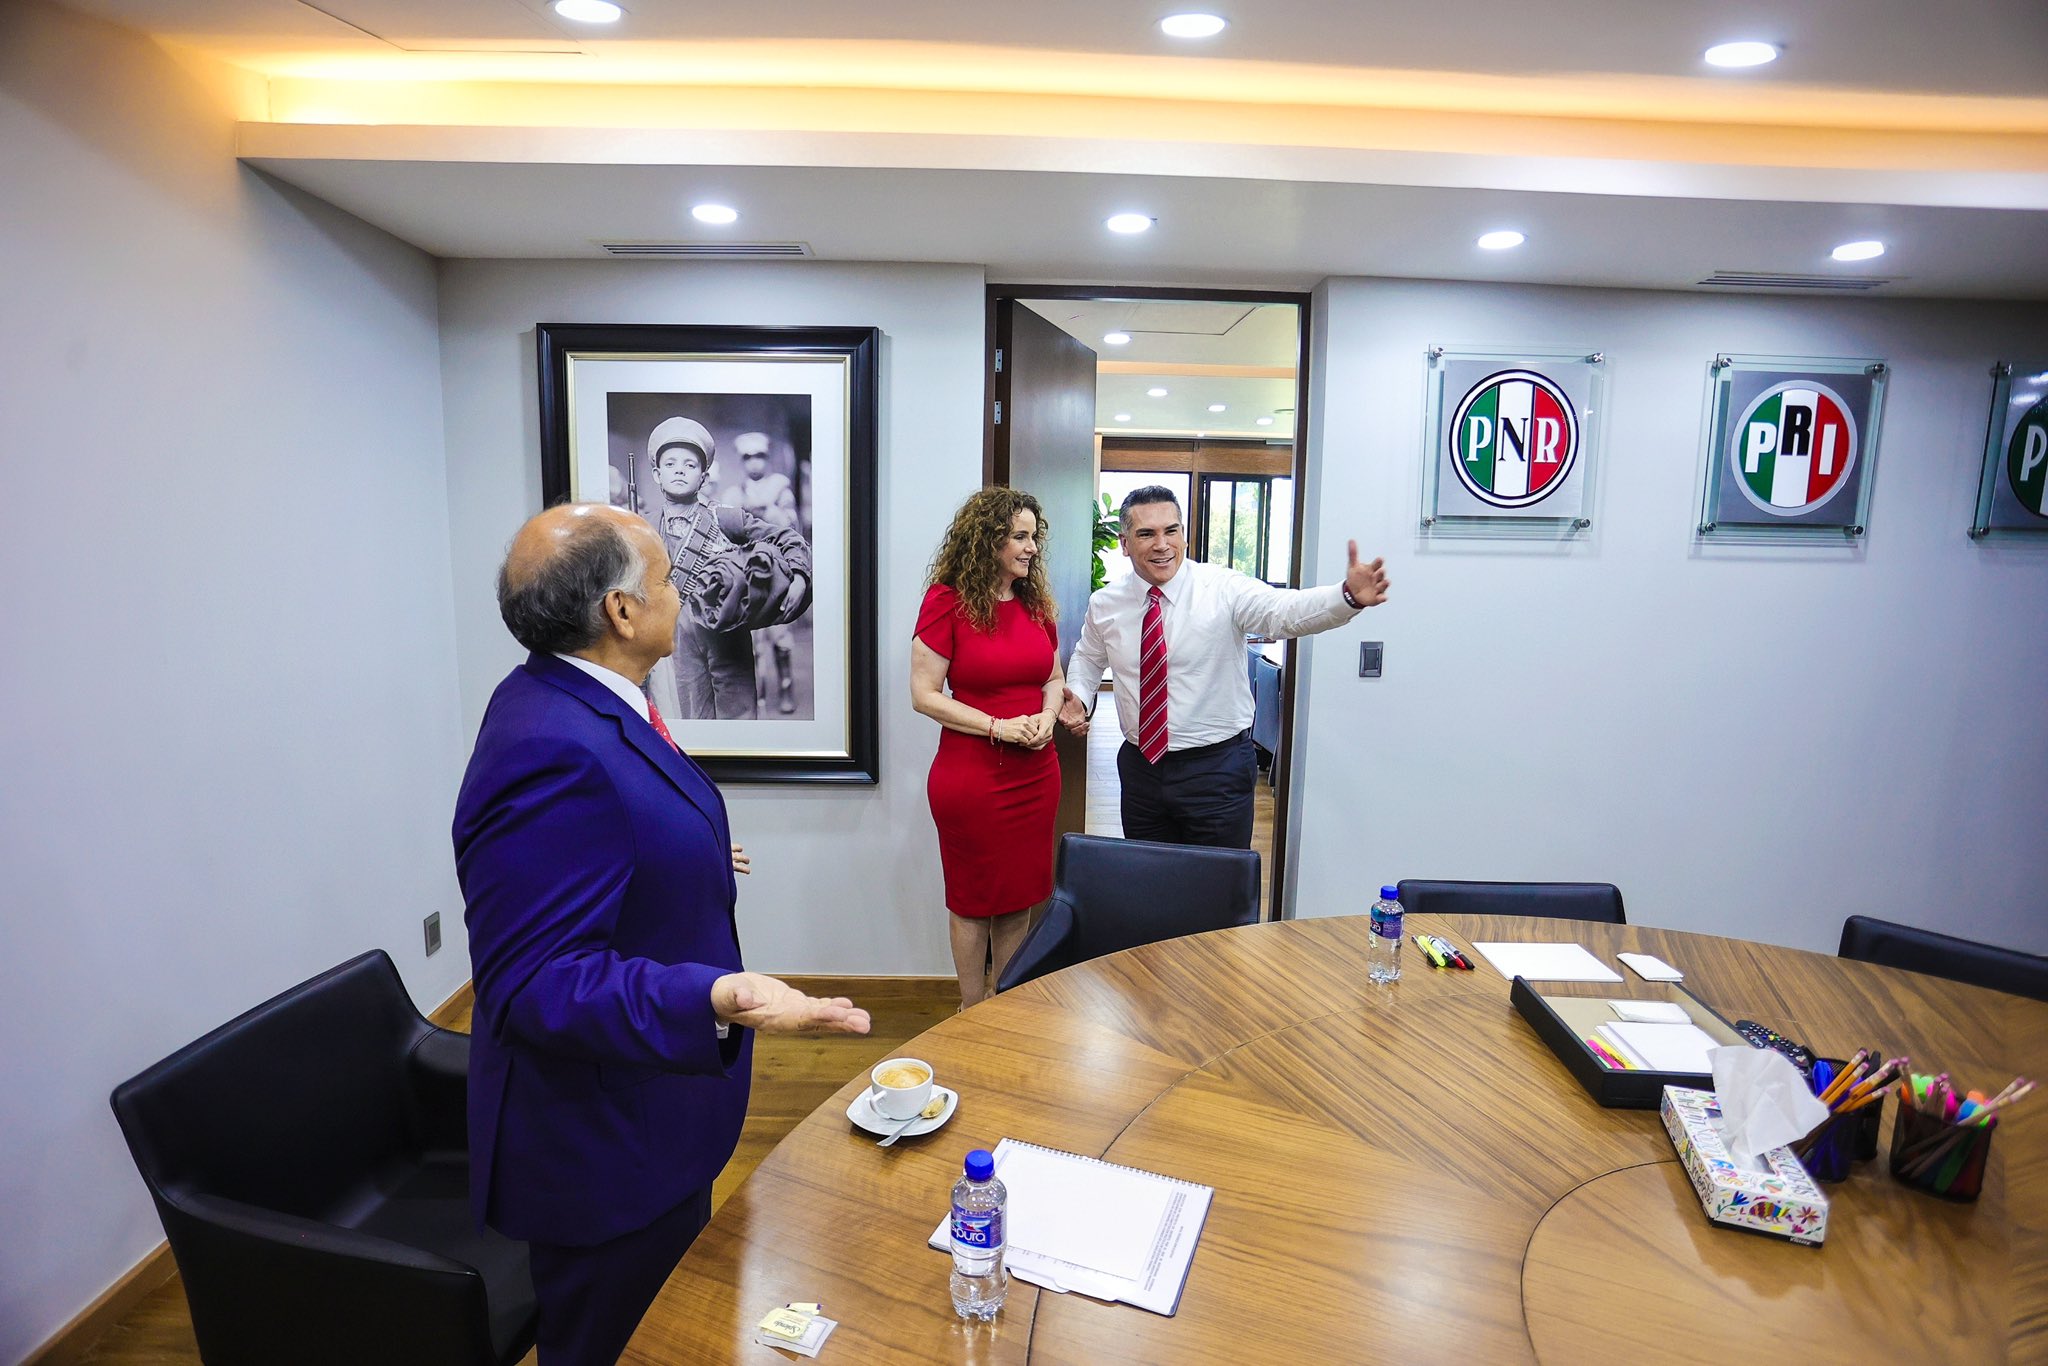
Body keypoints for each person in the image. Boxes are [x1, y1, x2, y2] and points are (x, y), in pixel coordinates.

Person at [454, 502, 871, 1366]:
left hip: (652, 1117)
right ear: (620, 611)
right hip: (605, 1150)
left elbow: (609, 837)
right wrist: (713, 994)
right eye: (670, 580)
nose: (682, 593)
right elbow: (532, 983)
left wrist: (689, 852)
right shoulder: (550, 745)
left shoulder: (578, 698)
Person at [1060, 485, 1390, 848]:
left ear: (1184, 535)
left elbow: (1283, 612)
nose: (1162, 545)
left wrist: (1345, 597)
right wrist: (1079, 696)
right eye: (1146, 534)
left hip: (1216, 769)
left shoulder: (1222, 588)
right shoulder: (1105, 603)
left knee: (1219, 879)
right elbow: (1089, 657)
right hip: (1141, 770)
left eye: (1171, 531)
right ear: (1125, 544)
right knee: (1151, 875)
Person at [911, 488, 1066, 1007]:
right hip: (973, 778)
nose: (1032, 548)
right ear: (988, 540)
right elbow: (924, 695)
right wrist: (998, 727)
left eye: (1033, 537)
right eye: (1020, 537)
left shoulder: (1035, 604)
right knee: (973, 901)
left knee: (1019, 900)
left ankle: (1006, 1006)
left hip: (1036, 774)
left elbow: (1053, 676)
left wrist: (1048, 716)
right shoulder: (946, 602)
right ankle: (971, 1009)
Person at [641, 416, 812, 720]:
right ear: (657, 474)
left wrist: (799, 576)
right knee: (692, 721)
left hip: (726, 634)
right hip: (676, 644)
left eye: (690, 465)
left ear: (704, 477)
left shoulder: (725, 518)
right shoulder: (644, 527)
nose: (679, 470)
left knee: (740, 719)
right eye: (670, 464)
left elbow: (787, 537)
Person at [724, 430, 802, 714]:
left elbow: (792, 527)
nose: (754, 462)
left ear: (766, 459)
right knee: (753, 642)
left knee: (781, 638)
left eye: (759, 456)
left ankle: (786, 689)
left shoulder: (780, 489)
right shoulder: (735, 493)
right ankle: (758, 696)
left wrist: (768, 510)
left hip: (777, 574)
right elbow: (728, 529)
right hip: (749, 575)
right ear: (742, 461)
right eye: (748, 457)